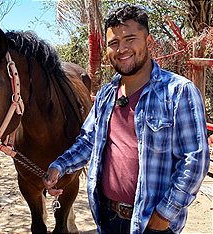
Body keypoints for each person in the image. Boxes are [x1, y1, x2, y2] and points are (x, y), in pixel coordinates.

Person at [43, 4, 210, 234]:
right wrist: (59, 166)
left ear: (148, 42)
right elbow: (88, 141)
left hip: (153, 223)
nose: (121, 49)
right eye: (113, 43)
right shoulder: (106, 95)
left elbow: (195, 160)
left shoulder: (178, 92)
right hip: (107, 217)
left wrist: (163, 216)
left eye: (130, 39)